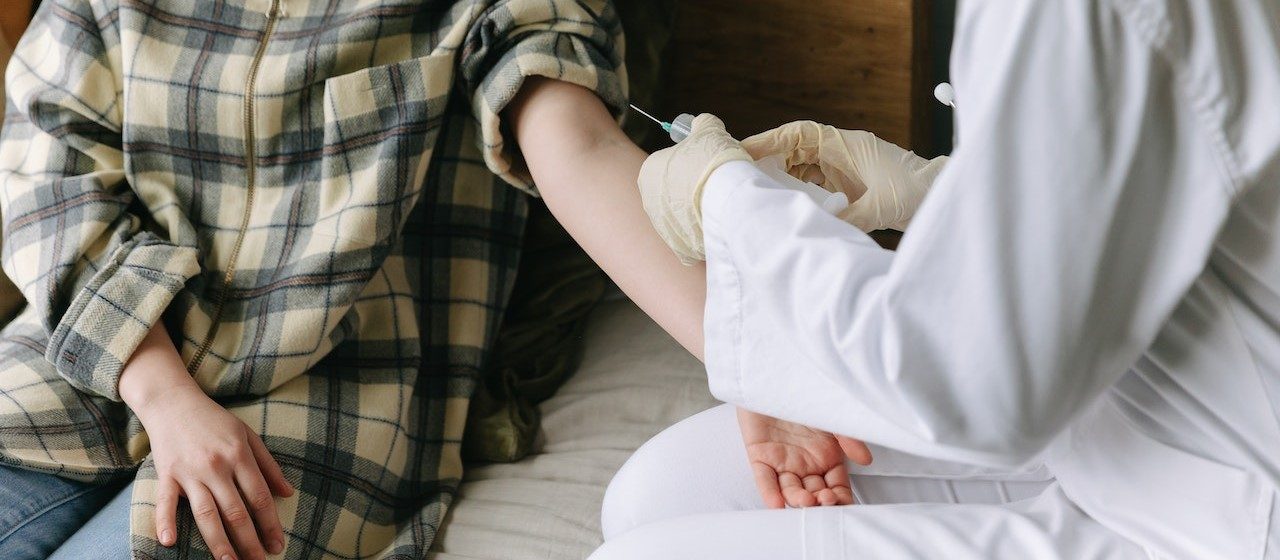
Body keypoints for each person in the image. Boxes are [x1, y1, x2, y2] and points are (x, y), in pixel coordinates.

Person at [588, 0, 1280, 558]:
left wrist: (725, 202)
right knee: (654, 493)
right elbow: (1183, 159)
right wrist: (944, 190)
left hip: (1219, 513)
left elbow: (970, 387)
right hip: (1134, 400)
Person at [0, 0, 632, 558]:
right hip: (78, 357)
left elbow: (581, 150)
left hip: (326, 391)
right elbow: (49, 195)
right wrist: (166, 398)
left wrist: (730, 331)